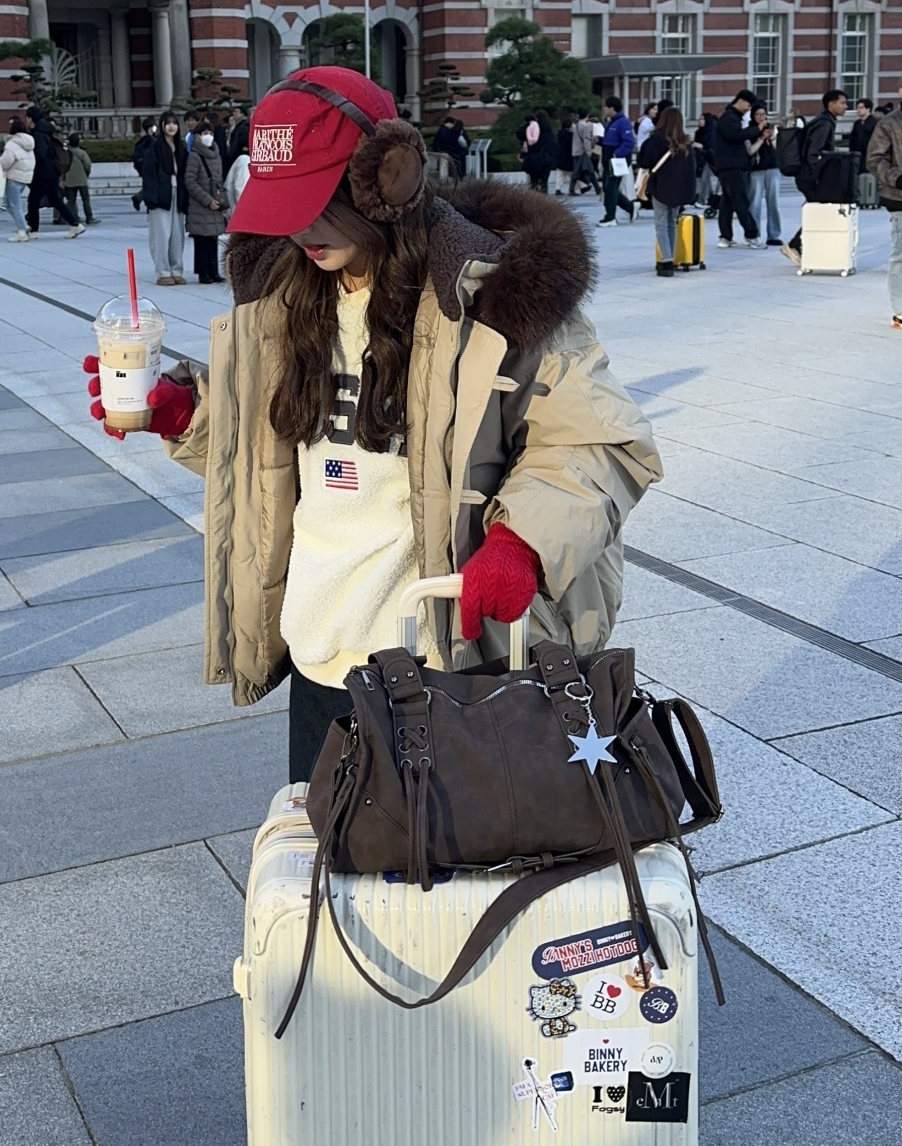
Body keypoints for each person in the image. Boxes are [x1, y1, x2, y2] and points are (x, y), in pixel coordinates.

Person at [82, 66, 663, 783]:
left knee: (442, 856)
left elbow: (600, 439)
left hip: (442, 664)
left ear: (384, 179)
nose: (300, 228)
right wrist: (189, 414)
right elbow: (276, 456)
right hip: (318, 652)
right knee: (326, 852)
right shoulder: (283, 300)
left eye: (317, 203)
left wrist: (522, 542)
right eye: (283, 205)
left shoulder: (486, 293)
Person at [782, 89, 848, 267]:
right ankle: (794, 245)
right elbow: (814, 154)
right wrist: (819, 175)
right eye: (842, 103)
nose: (845, 107)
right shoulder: (824, 124)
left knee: (819, 210)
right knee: (820, 211)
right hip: (810, 176)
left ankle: (801, 246)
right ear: (831, 104)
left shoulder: (824, 121)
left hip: (807, 175)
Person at [637, 106, 697, 276]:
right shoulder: (686, 143)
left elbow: (644, 161)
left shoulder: (656, 139)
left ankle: (666, 261)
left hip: (661, 187)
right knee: (672, 223)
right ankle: (671, 257)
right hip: (679, 189)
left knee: (661, 224)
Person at [862, 84, 902, 327]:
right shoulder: (889, 123)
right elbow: (875, 159)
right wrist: (898, 178)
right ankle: (900, 310)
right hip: (899, 197)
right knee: (901, 254)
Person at [24, 105, 85, 239]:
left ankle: (33, 230)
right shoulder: (48, 131)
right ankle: (75, 224)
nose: (26, 121)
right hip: (52, 171)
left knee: (33, 200)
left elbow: (41, 154)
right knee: (56, 200)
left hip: (43, 173)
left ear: (31, 118)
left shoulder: (38, 134)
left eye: (27, 118)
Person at [714, 89, 765, 249]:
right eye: (748, 105)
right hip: (731, 165)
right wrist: (757, 129)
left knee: (727, 202)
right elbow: (736, 136)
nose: (748, 109)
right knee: (740, 200)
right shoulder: (729, 118)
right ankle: (751, 235)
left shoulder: (732, 117)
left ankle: (725, 236)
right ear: (741, 101)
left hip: (728, 165)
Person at [143, 110, 188, 286]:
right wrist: (151, 198)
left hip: (178, 194)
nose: (171, 126)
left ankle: (176, 270)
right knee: (161, 235)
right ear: (162, 126)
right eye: (168, 123)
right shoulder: (154, 148)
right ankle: (163, 272)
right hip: (161, 196)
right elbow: (149, 175)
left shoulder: (181, 148)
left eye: (174, 123)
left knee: (177, 236)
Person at [184, 118, 229, 283]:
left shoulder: (216, 155)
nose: (208, 136)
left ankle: (214, 271)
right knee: (202, 239)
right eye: (204, 133)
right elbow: (190, 181)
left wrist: (222, 201)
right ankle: (203, 272)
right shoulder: (194, 156)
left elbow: (219, 180)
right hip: (200, 204)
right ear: (197, 136)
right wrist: (207, 200)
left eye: (210, 133)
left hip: (215, 203)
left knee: (213, 238)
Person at [597, 96, 637, 227]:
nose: (604, 109)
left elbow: (629, 142)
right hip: (609, 159)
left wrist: (616, 154)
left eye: (606, 107)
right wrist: (598, 141)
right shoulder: (611, 122)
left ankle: (610, 216)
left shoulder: (623, 122)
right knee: (608, 188)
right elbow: (609, 140)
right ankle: (630, 207)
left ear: (612, 108)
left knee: (611, 187)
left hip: (617, 160)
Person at [747, 104, 782, 246]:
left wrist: (772, 137)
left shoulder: (772, 128)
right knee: (755, 203)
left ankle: (774, 234)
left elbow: (779, 149)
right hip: (756, 170)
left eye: (763, 114)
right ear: (753, 116)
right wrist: (761, 138)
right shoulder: (750, 131)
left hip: (773, 168)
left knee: (774, 203)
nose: (761, 117)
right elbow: (750, 151)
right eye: (758, 114)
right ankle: (754, 234)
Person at [0, 116, 35, 243]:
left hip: (14, 176)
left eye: (10, 125)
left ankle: (22, 231)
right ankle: (23, 225)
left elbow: (6, 162)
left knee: (14, 205)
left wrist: (0, 162)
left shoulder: (12, 143)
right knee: (9, 203)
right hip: (25, 177)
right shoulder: (29, 142)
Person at [516, 110, 558, 193]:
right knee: (544, 178)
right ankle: (544, 192)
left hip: (533, 155)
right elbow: (555, 144)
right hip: (546, 156)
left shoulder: (532, 126)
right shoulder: (549, 129)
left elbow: (520, 134)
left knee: (533, 178)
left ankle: (534, 193)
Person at [63, 133, 99, 226]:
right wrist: (86, 173)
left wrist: (63, 178)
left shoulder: (66, 153)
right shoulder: (82, 153)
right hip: (81, 179)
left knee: (71, 200)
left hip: (69, 178)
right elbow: (88, 164)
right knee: (85, 199)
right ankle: (89, 217)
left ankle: (66, 217)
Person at [693, 112, 719, 212]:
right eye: (700, 119)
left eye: (702, 119)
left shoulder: (712, 132)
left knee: (705, 178)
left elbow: (711, 146)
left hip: (710, 158)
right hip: (701, 158)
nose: (700, 121)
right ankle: (709, 198)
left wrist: (701, 146)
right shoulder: (698, 132)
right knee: (705, 179)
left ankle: (702, 200)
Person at [132, 116, 157, 211]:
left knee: (149, 186)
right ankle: (142, 200)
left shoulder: (153, 139)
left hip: (151, 167)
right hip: (148, 168)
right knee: (151, 186)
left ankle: (139, 198)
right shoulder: (147, 141)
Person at [570, 109, 597, 194]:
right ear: (587, 115)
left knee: (576, 170)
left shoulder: (575, 126)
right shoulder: (585, 126)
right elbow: (586, 140)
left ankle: (572, 189)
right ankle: (597, 188)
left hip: (575, 150)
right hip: (583, 152)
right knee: (590, 170)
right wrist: (589, 151)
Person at [850, 98, 877, 169]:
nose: (858, 110)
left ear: (868, 109)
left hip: (869, 154)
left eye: (861, 108)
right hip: (857, 154)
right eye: (857, 108)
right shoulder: (857, 123)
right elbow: (853, 138)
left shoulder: (875, 122)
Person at [553, 115, 575, 195]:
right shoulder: (570, 135)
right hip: (568, 156)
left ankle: (557, 188)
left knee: (560, 173)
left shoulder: (559, 134)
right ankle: (575, 188)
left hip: (560, 156)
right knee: (572, 174)